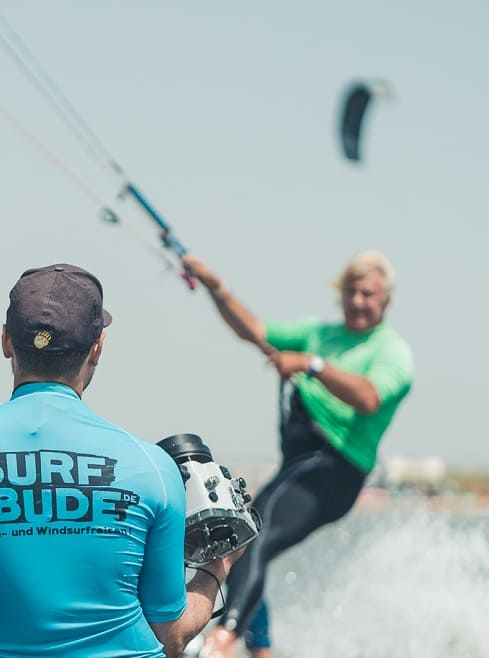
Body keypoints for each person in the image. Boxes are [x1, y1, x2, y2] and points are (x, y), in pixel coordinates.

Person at [0, 263, 245, 658]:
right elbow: (171, 635)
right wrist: (218, 566)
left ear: (6, 341)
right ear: (97, 348)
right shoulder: (153, 467)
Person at [180, 251, 414, 658]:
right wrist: (217, 287)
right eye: (351, 292)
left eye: (368, 294)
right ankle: (261, 650)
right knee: (241, 539)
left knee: (250, 537)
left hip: (336, 471)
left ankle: (221, 642)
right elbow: (253, 329)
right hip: (297, 467)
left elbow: (369, 397)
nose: (358, 301)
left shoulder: (392, 352)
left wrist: (312, 364)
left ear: (386, 301)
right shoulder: (318, 333)